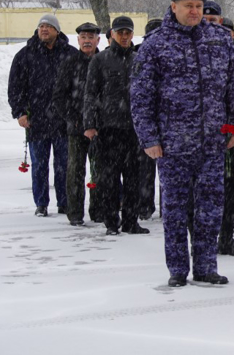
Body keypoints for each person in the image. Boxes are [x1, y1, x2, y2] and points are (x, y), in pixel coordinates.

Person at [131, 0, 234, 287]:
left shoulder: (219, 40)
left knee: (210, 210)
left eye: (198, 6)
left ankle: (207, 266)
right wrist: (149, 138)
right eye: (188, 6)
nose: (195, 11)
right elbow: (142, 96)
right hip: (172, 146)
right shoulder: (156, 44)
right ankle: (178, 270)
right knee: (174, 212)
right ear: (173, 7)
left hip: (212, 143)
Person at [83, 16, 147, 236]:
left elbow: (149, 94)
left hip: (134, 129)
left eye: (128, 32)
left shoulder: (140, 59)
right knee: (108, 179)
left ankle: (131, 221)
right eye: (120, 32)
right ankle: (111, 222)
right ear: (112, 34)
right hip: (108, 129)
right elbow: (90, 94)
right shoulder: (100, 60)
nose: (124, 36)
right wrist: (90, 124)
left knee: (133, 179)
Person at [8, 14, 77, 216]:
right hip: (36, 121)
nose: (44, 30)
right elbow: (15, 87)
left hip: (63, 121)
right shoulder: (25, 55)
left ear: (57, 30)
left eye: (48, 26)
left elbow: (79, 86)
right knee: (39, 166)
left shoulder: (70, 54)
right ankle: (41, 204)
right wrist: (20, 112)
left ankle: (64, 203)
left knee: (64, 165)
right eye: (41, 27)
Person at [52, 22, 100, 226]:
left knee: (100, 171)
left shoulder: (103, 60)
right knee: (75, 172)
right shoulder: (69, 63)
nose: (87, 41)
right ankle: (75, 213)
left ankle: (98, 211)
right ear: (78, 40)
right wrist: (77, 120)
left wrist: (98, 121)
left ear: (98, 39)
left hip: (100, 128)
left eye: (91, 37)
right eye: (83, 37)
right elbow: (59, 97)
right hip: (76, 128)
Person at [135, 18, 163, 220]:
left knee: (167, 175)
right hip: (144, 125)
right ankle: (145, 206)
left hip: (165, 124)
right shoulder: (140, 56)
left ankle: (164, 207)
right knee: (144, 170)